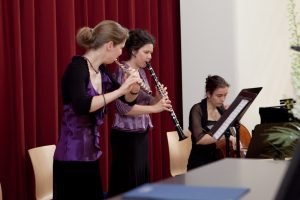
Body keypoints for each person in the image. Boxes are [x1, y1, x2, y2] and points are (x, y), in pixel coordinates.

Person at [53, 20, 141, 200]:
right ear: (109, 45)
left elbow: (126, 100)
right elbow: (82, 106)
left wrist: (133, 87)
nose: (120, 53)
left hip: (90, 155)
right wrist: (121, 90)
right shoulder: (77, 68)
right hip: (71, 157)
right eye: (120, 48)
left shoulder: (101, 70)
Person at [108, 29, 172, 197]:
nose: (150, 56)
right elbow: (123, 109)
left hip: (140, 133)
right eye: (146, 52)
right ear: (134, 51)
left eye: (151, 52)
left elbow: (146, 101)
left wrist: (158, 98)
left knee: (140, 182)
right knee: (127, 182)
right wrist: (154, 108)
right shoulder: (124, 71)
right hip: (125, 136)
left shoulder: (142, 72)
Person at [187, 75, 236, 170]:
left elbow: (231, 131)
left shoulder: (222, 109)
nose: (223, 99)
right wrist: (225, 136)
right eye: (219, 96)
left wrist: (231, 116)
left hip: (219, 160)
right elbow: (200, 139)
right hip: (200, 163)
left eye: (225, 95)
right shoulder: (197, 110)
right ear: (209, 94)